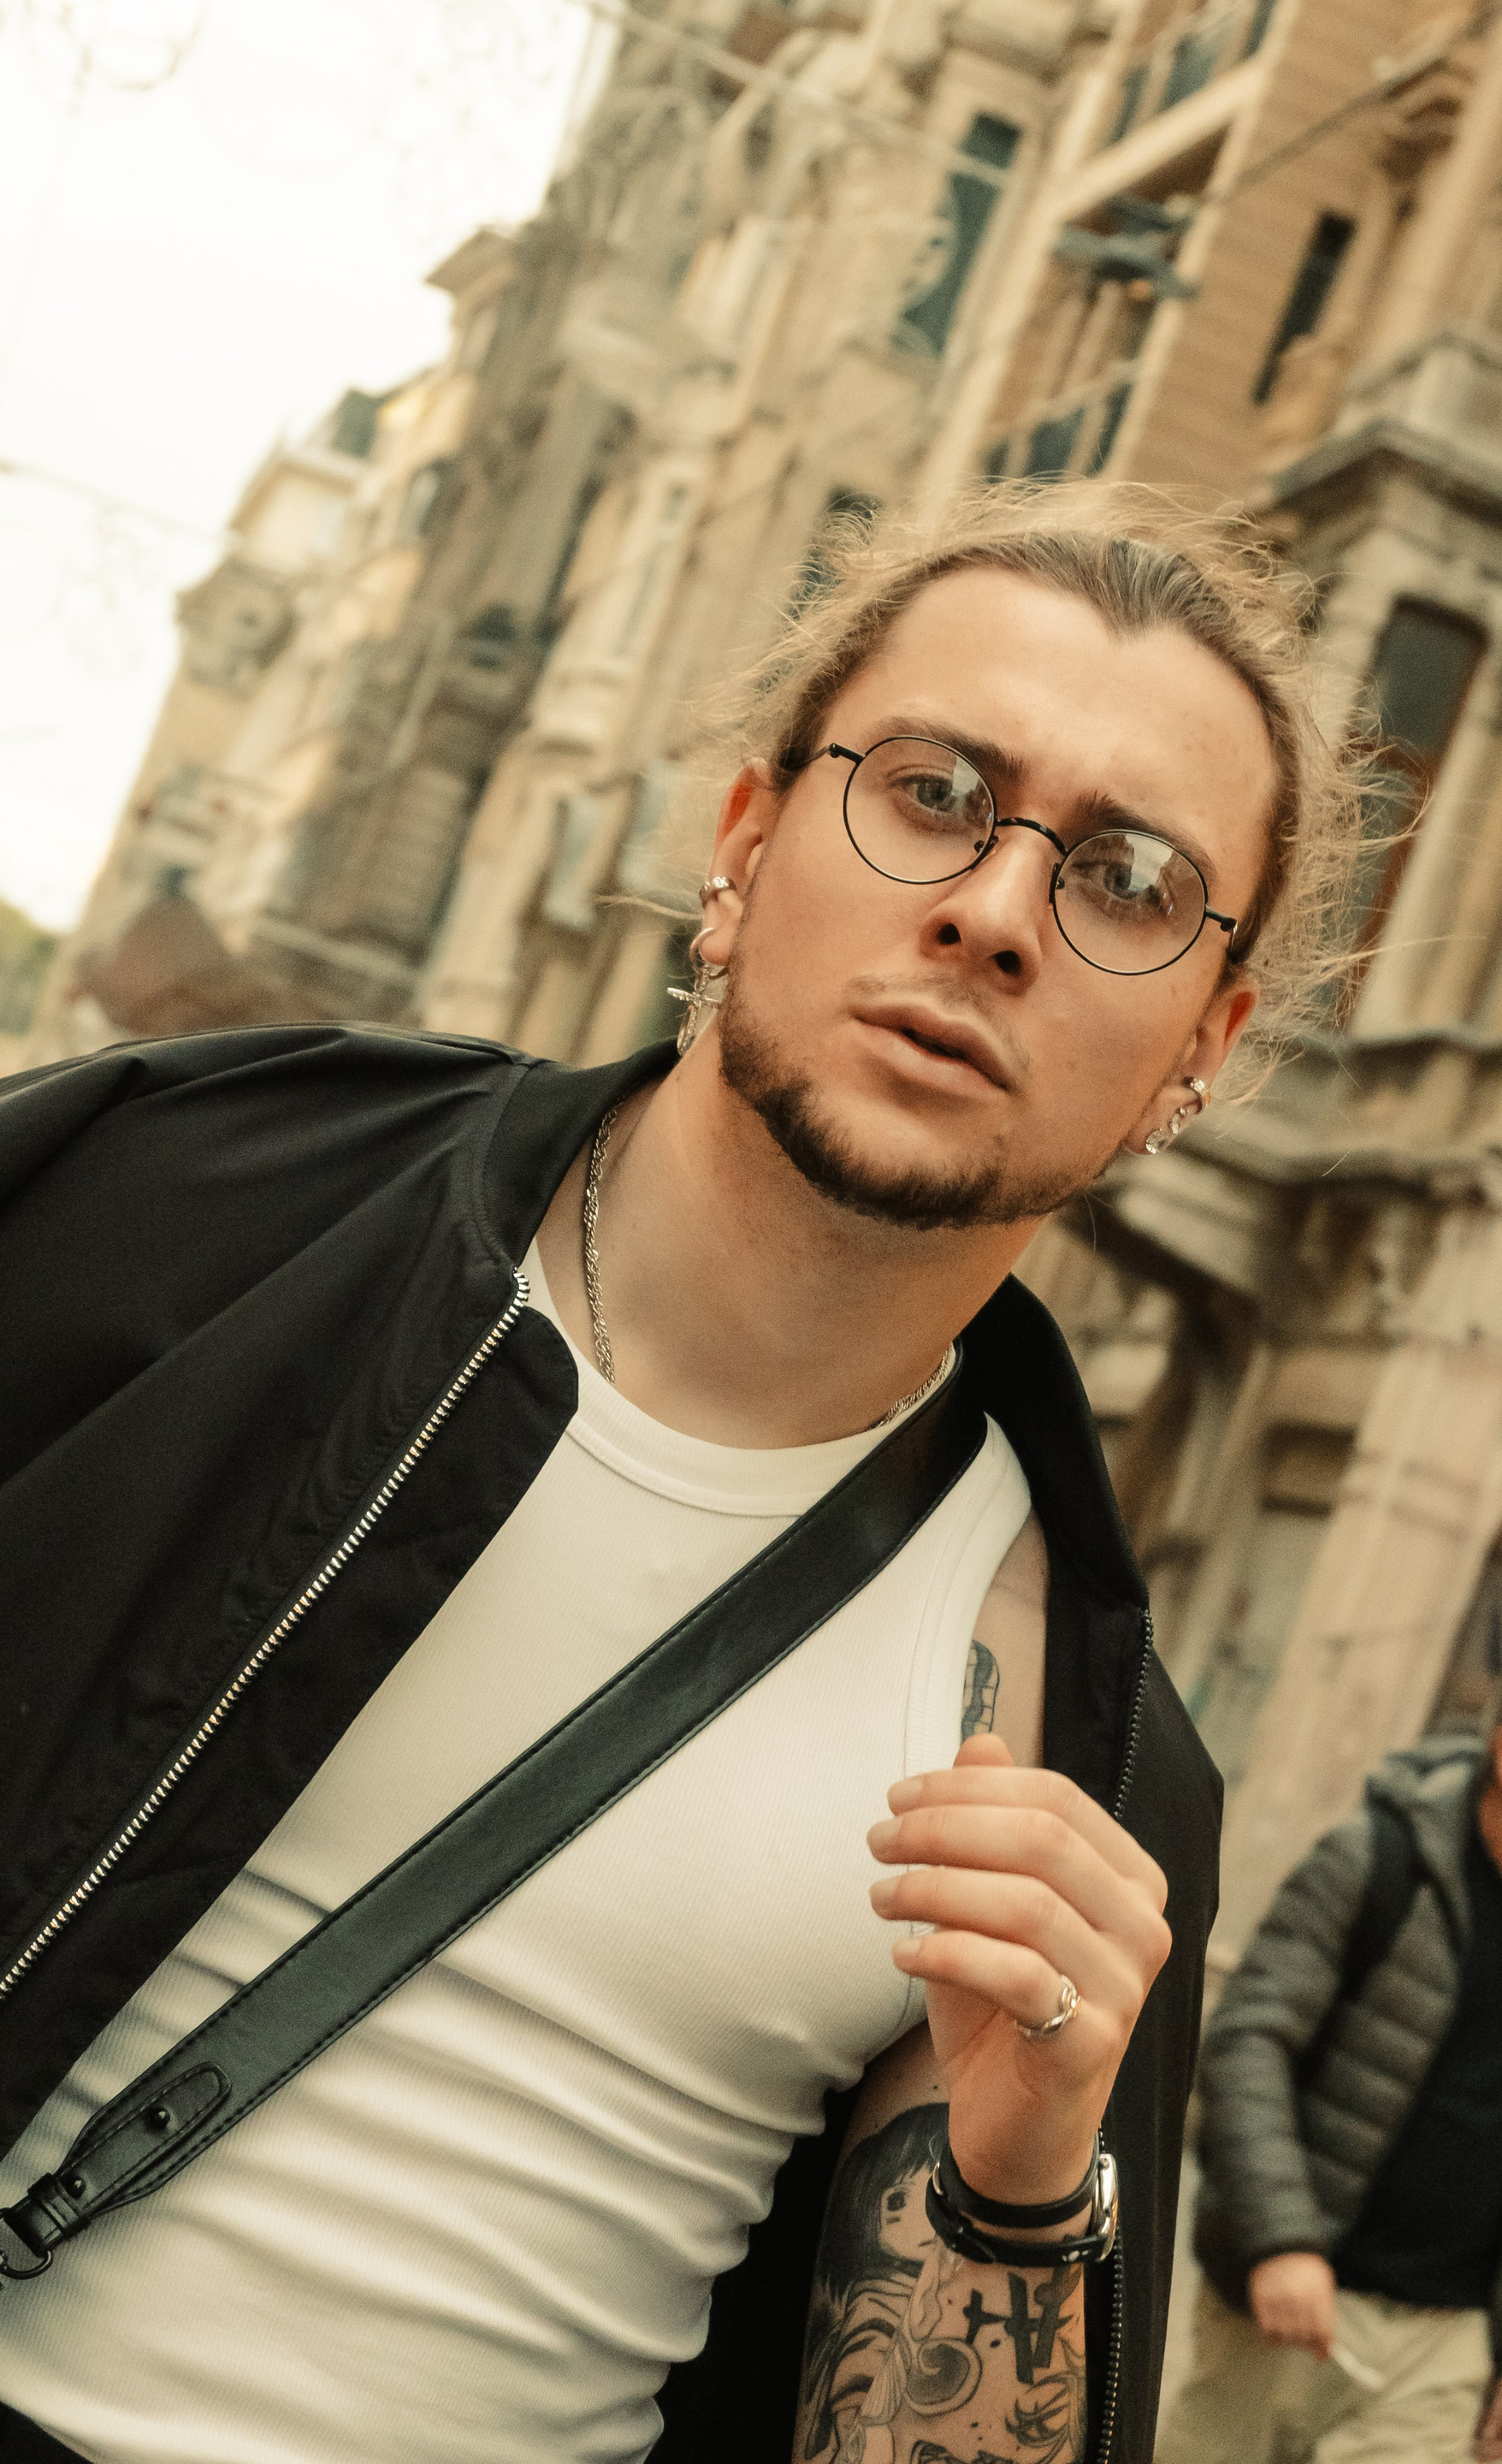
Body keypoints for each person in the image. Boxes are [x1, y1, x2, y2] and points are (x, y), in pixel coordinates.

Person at [0, 483, 1346, 2464]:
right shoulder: (179, 1207)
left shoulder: (1077, 1746)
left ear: (1201, 1052)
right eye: (934, 791)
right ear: (741, 842)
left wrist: (1021, 2182)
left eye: (1130, 879)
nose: (993, 913)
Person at [1159, 1648, 1502, 2464]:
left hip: (1446, 2340)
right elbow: (1248, 2044)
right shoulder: (1376, 1859)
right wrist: (1282, 2240)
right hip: (1293, 2301)